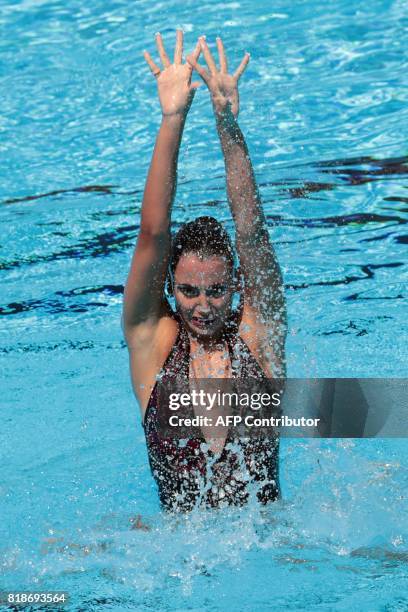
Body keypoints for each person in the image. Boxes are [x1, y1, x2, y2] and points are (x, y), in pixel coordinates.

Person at [122, 31, 287, 512]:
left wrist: (226, 124)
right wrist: (172, 117)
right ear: (171, 288)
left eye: (216, 290)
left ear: (236, 284)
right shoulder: (153, 343)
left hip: (273, 548)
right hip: (177, 560)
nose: (203, 305)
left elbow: (251, 232)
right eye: (189, 290)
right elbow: (153, 233)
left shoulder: (260, 336)